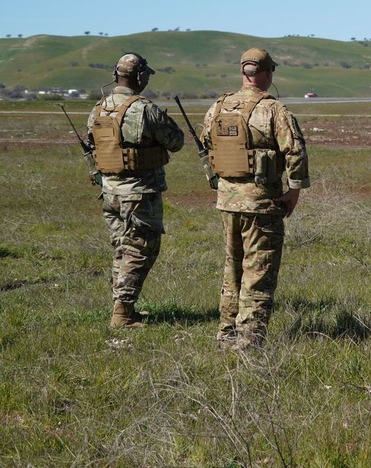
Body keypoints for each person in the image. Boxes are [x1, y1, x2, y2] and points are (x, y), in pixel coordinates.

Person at [202, 48, 310, 349]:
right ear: (267, 73)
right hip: (261, 203)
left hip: (227, 201)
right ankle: (250, 340)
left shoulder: (218, 107)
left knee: (233, 268)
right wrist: (294, 191)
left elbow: (206, 144)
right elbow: (295, 152)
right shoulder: (273, 110)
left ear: (243, 73)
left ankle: (227, 334)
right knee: (258, 270)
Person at [87, 52, 185, 328]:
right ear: (140, 77)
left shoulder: (99, 108)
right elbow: (176, 141)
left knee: (121, 247)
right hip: (139, 192)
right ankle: (122, 312)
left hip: (110, 192)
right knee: (141, 247)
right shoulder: (144, 109)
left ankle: (121, 307)